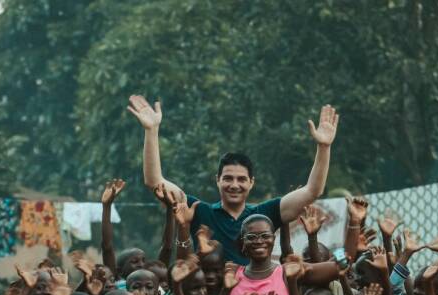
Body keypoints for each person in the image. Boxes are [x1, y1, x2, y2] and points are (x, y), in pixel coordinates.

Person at [128, 95, 339, 264]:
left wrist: (324, 147)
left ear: (251, 182)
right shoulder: (199, 211)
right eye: (228, 178)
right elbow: (155, 182)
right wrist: (151, 131)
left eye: (241, 179)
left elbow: (313, 190)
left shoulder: (264, 214)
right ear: (217, 180)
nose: (234, 185)